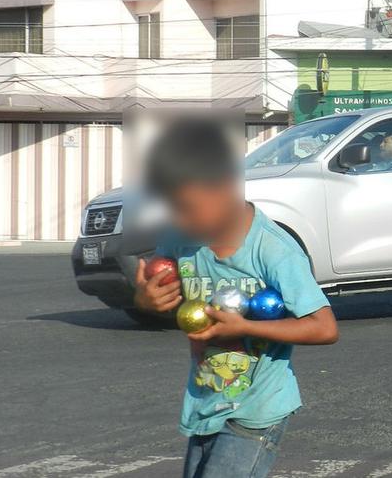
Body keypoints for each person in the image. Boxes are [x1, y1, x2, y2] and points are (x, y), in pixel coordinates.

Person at [133, 119, 338, 478]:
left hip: (256, 408)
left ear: (226, 188)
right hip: (206, 402)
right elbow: (155, 290)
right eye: (173, 208)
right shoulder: (181, 241)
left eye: (187, 207)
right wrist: (145, 300)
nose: (179, 220)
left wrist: (242, 326)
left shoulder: (272, 250)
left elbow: (323, 327)